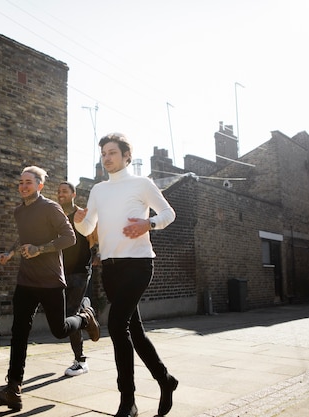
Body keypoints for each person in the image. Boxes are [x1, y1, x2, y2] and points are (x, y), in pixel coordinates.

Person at [74, 133, 178, 417]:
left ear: (126, 156)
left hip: (138, 265)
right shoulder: (98, 190)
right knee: (135, 331)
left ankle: (127, 401)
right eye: (103, 154)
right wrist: (79, 221)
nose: (106, 157)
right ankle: (166, 380)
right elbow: (88, 230)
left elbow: (169, 214)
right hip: (110, 269)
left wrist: (149, 223)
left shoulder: (142, 184)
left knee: (117, 325)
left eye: (112, 152)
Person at [0, 166, 100, 411]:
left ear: (39, 185)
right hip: (26, 279)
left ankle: (84, 317)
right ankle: (14, 388)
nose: (23, 186)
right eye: (21, 182)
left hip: (50, 279)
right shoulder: (19, 211)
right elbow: (23, 237)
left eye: (28, 182)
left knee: (59, 330)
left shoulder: (50, 207)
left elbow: (69, 238)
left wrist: (41, 249)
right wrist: (11, 252)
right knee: (19, 333)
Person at [57, 181, 98, 377]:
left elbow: (94, 235)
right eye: (58, 191)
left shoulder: (81, 215)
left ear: (73, 194)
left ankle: (80, 361)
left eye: (64, 191)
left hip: (81, 271)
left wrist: (97, 255)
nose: (60, 194)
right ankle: (87, 311)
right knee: (62, 314)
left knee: (69, 314)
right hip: (61, 272)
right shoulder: (57, 217)